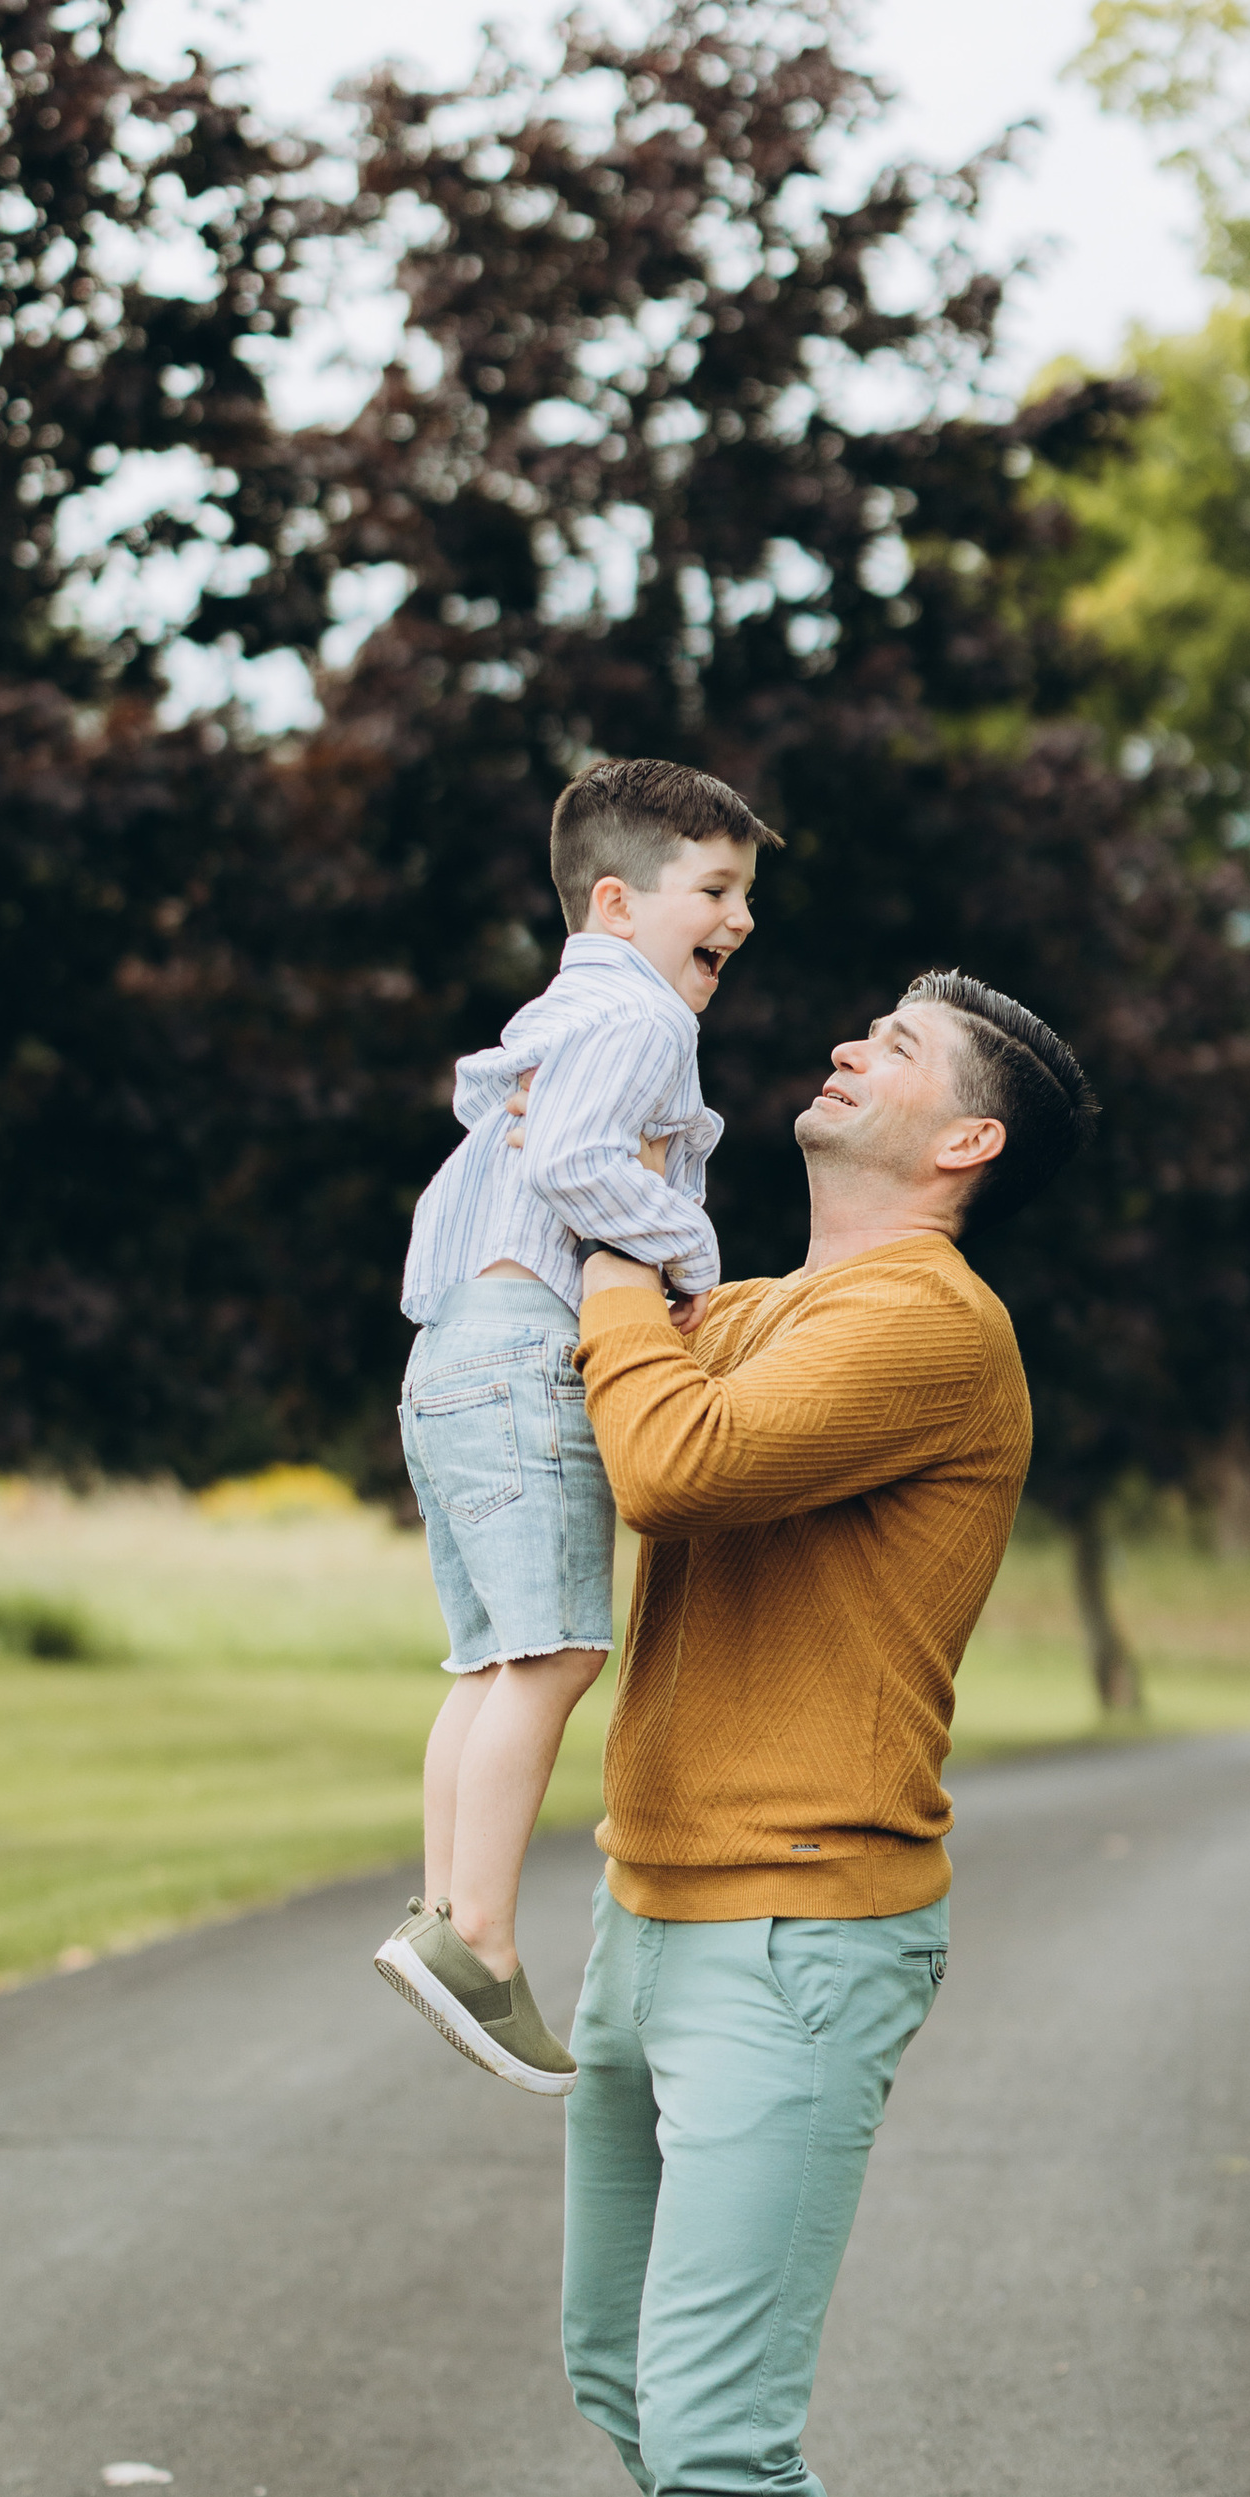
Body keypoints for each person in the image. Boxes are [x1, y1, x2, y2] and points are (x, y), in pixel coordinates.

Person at [563, 966, 1091, 2497]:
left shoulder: (920, 1328)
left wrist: (603, 1252)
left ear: (962, 1144)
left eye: (901, 1049)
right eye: (858, 1027)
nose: (849, 1050)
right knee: (621, 2380)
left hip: (798, 1928)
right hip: (656, 1901)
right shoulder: (778, 1294)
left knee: (714, 2430)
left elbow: (666, 1461)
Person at [374, 757, 777, 2092]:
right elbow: (580, 1169)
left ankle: (446, 1914)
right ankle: (477, 1934)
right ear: (616, 901)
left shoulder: (556, 1019)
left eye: (745, 894)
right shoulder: (640, 1019)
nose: (741, 918)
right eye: (715, 889)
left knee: (493, 1662)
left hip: (452, 1361)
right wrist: (699, 1255)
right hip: (528, 1355)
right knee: (555, 1657)